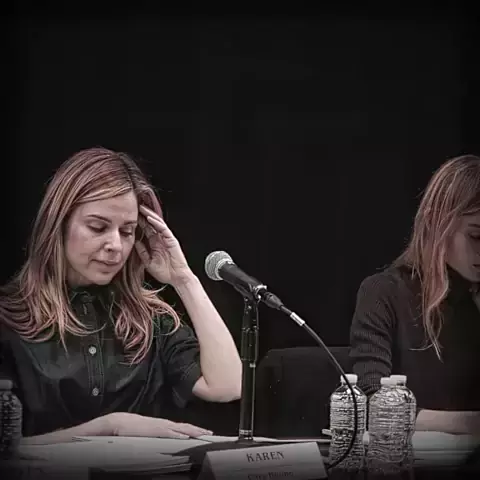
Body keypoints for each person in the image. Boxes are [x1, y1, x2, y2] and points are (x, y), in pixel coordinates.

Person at [0, 147, 242, 443]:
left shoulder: (149, 320)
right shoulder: (8, 318)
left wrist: (184, 279)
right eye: (98, 227)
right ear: (58, 224)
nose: (115, 245)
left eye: (127, 231)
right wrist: (109, 427)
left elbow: (228, 386)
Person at [350, 154, 480, 435]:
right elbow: (372, 406)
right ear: (436, 223)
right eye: (476, 236)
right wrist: (470, 424)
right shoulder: (384, 293)